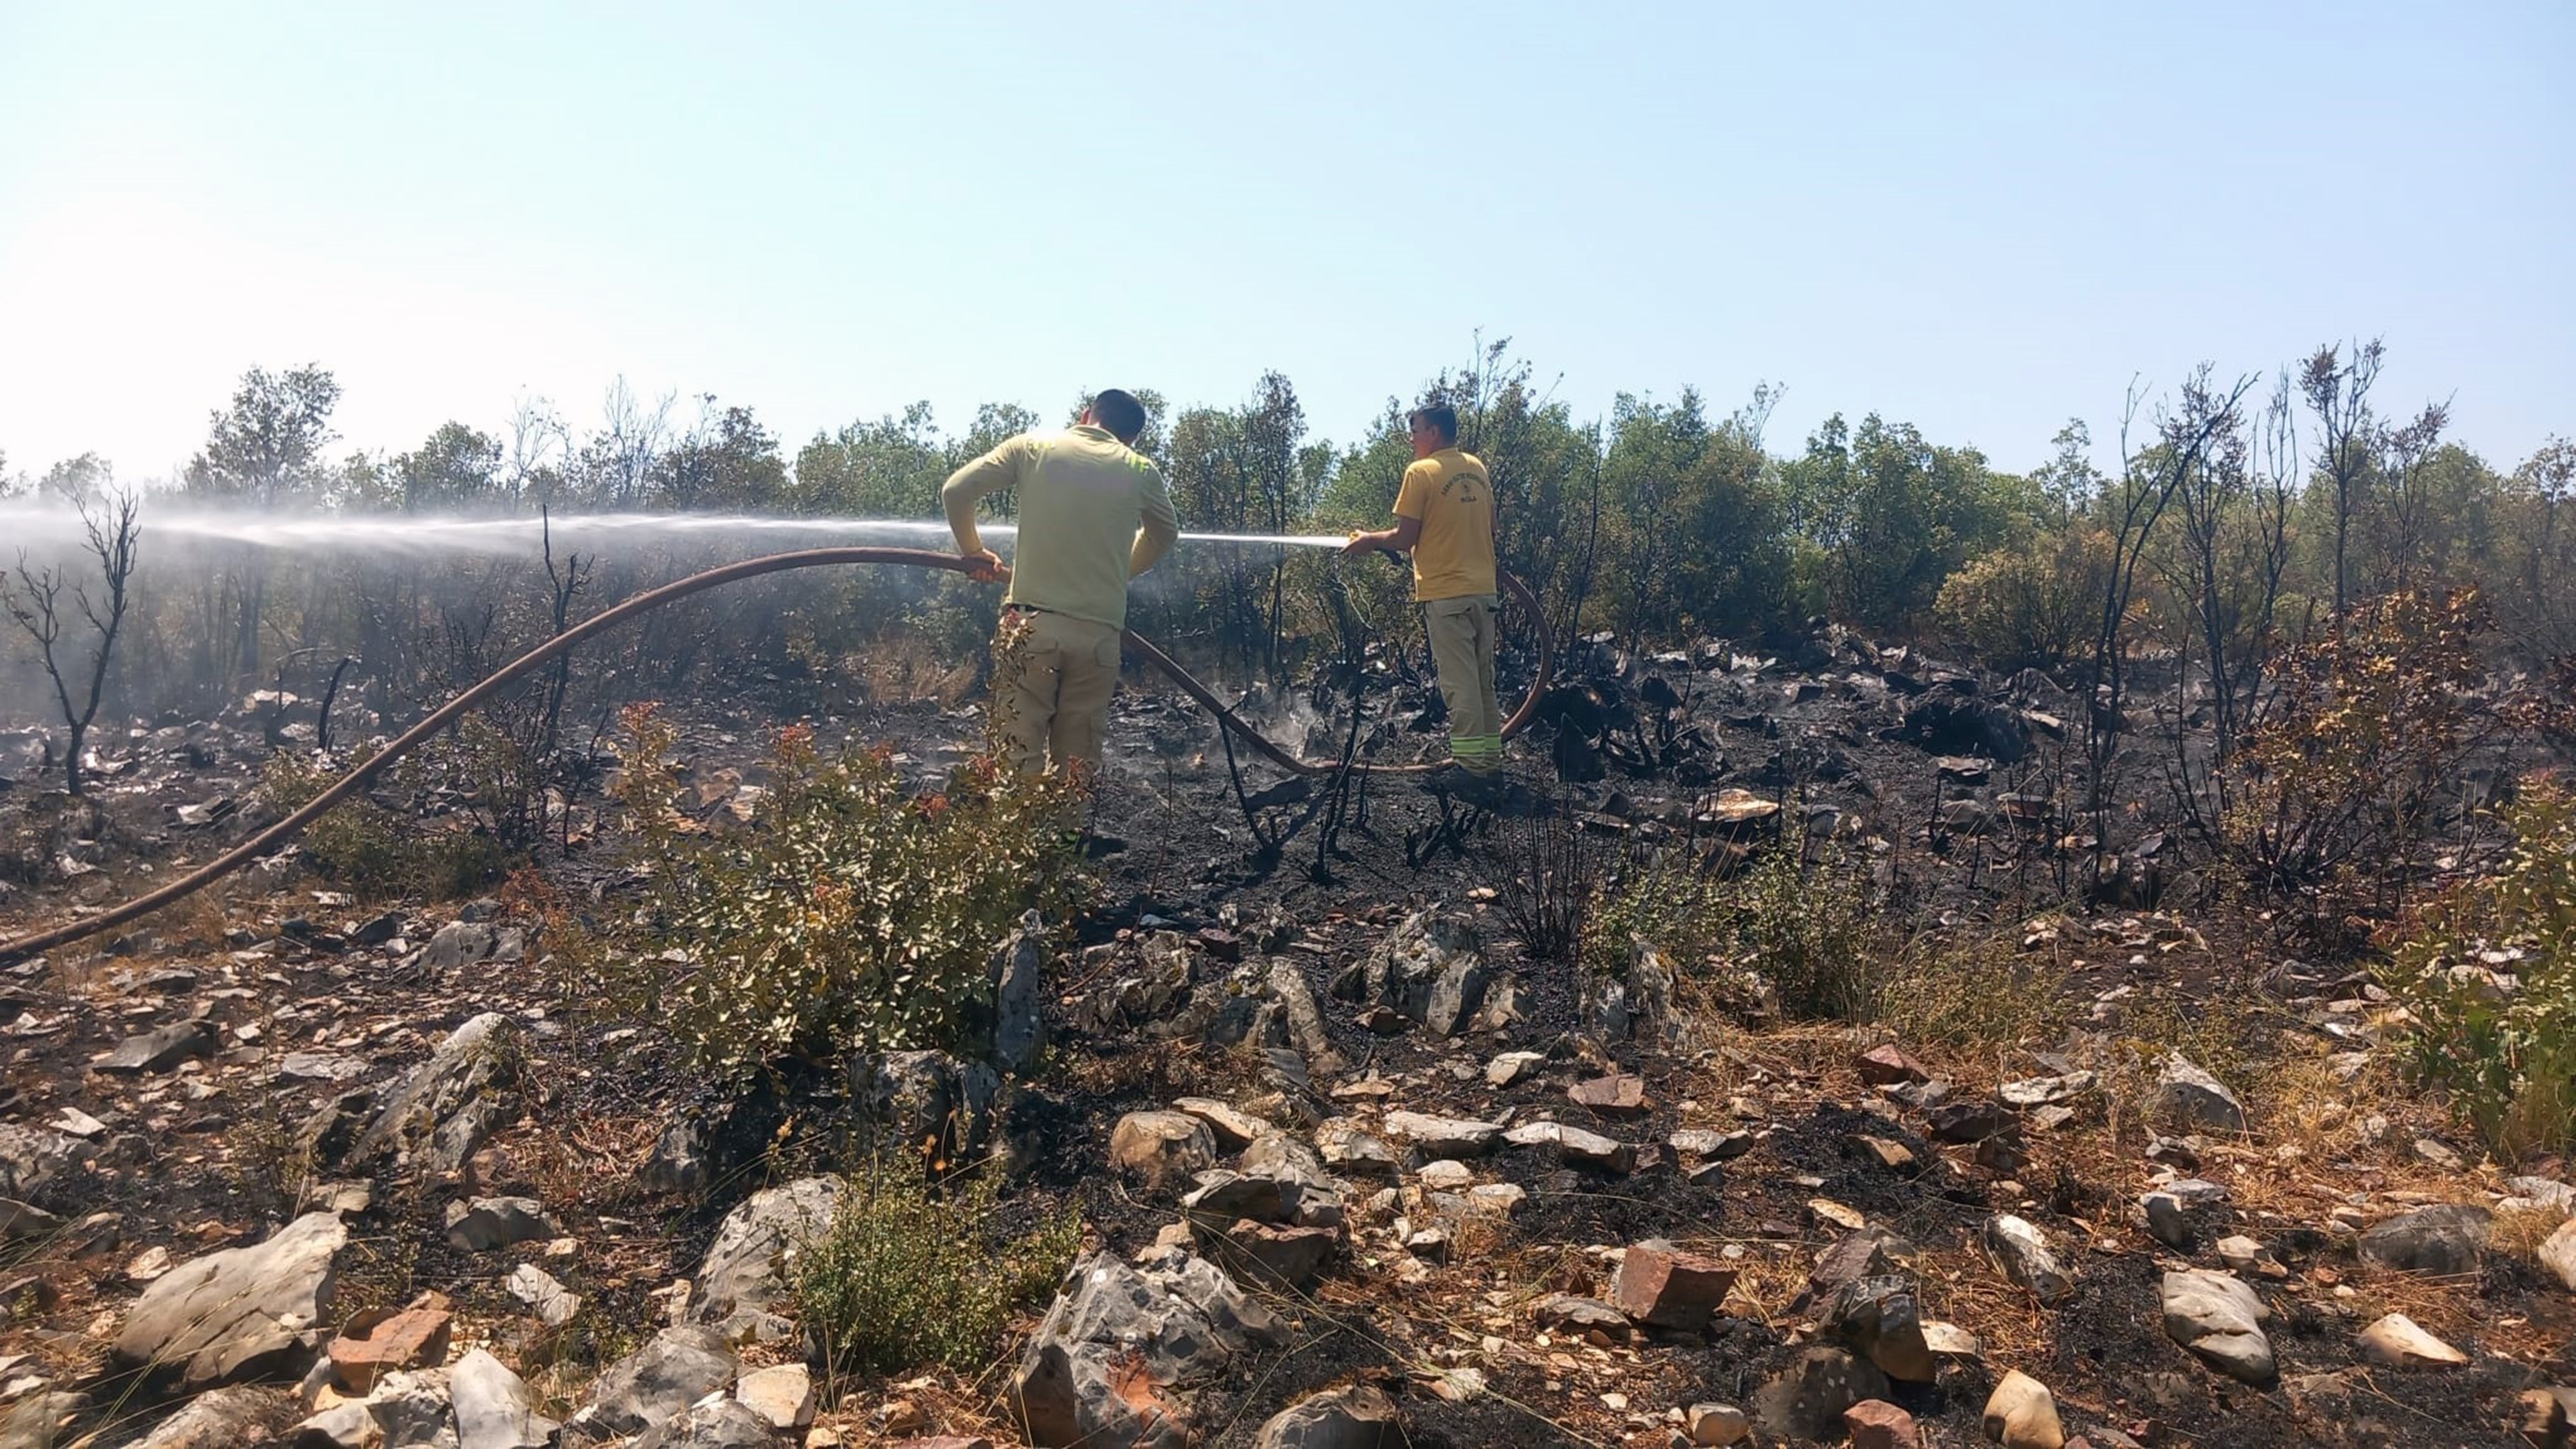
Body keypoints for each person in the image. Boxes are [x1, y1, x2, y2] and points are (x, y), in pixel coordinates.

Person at [942, 388, 1179, 787]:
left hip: (1030, 627)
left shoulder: (1033, 446)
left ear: (1087, 415)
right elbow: (1164, 535)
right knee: (1077, 764)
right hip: (1099, 637)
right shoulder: (1140, 470)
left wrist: (974, 552)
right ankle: (1064, 844)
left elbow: (956, 491)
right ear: (1130, 439)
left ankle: (1017, 844)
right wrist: (1117, 575)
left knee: (1017, 754)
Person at [1343, 403, 1503, 795]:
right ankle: (1489, 764)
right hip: (1485, 593)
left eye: (1415, 429)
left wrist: (1368, 542)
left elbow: (1404, 538)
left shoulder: (1421, 472)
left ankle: (1470, 771)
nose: (1411, 437)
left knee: (1459, 684)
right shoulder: (1476, 468)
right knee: (1483, 683)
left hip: (1448, 596)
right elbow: (1490, 526)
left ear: (1433, 432)